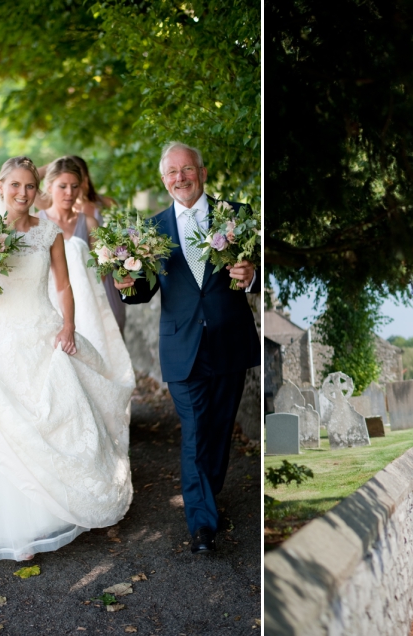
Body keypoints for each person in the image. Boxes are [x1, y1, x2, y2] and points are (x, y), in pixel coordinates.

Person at [0, 156, 134, 564]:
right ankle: (9, 526)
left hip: (42, 329)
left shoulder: (49, 232)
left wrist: (68, 326)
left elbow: (64, 286)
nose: (22, 193)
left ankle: (49, 513)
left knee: (55, 414)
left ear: (37, 191)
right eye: (15, 185)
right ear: (1, 186)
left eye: (30, 186)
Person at [114, 141, 260, 554]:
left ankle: (206, 500)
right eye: (172, 172)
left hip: (230, 339)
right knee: (195, 431)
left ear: (202, 172)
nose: (181, 177)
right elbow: (142, 289)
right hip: (181, 345)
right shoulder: (152, 230)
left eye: (187, 169)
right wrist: (126, 286)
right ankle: (201, 525)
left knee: (218, 430)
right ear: (164, 180)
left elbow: (260, 266)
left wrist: (251, 274)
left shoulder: (237, 216)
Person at [38, 157, 134, 379]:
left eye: (74, 186)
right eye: (62, 186)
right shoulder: (37, 222)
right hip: (51, 303)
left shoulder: (89, 222)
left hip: (87, 301)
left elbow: (103, 265)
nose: (69, 193)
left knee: (91, 359)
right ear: (49, 186)